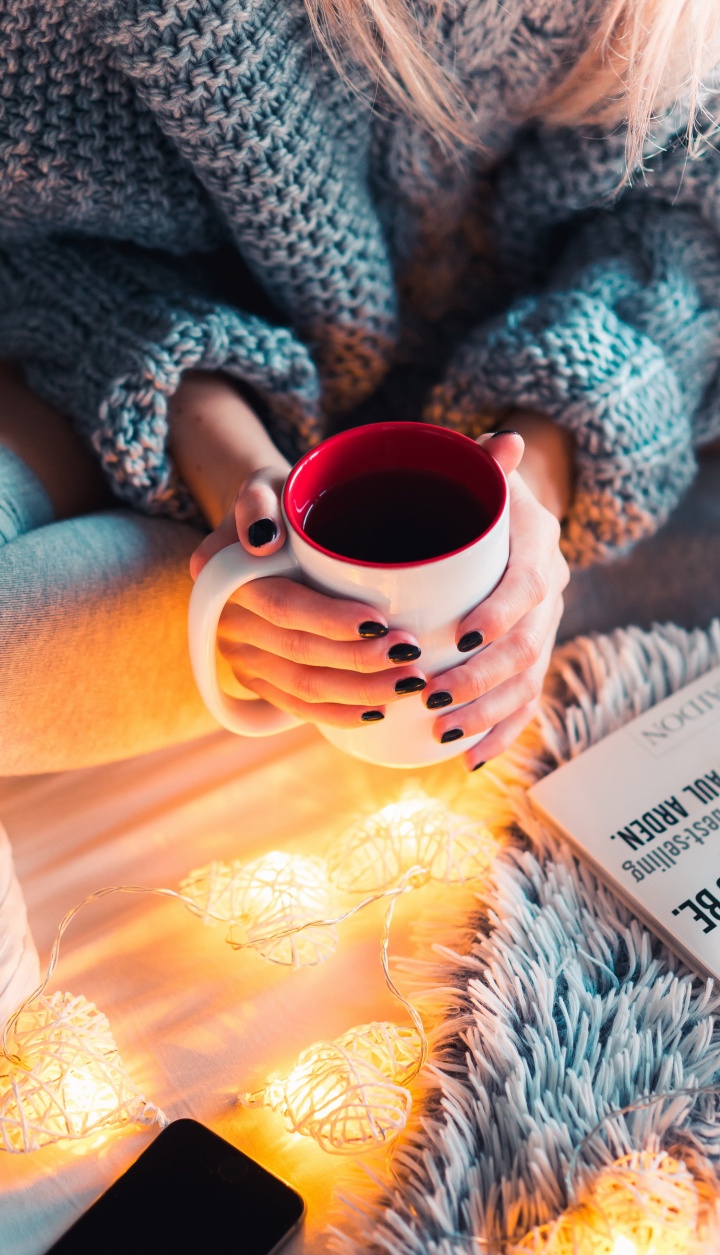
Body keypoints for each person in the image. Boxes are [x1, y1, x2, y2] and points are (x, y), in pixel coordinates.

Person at [0, 0, 717, 775]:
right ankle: (320, 652)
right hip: (167, 379)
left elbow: (682, 226)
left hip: (562, 403)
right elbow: (55, 242)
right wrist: (246, 499)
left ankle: (370, 654)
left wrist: (533, 502)